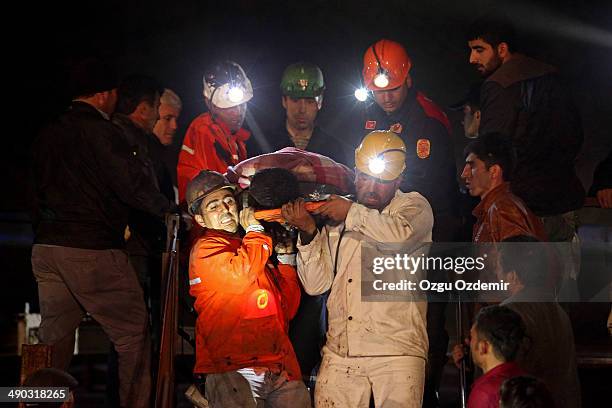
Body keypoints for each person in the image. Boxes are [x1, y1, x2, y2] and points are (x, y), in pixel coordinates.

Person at [30, 58, 175, 408]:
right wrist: (170, 211)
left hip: (47, 247)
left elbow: (31, 188)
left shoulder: (48, 131)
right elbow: (131, 187)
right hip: (92, 248)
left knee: (51, 345)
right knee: (134, 337)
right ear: (104, 95)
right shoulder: (103, 132)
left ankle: (32, 402)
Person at [282, 130, 433, 407]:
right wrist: (308, 233)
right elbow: (317, 285)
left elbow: (399, 237)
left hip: (397, 351)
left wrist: (351, 212)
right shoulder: (340, 211)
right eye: (365, 177)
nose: (371, 187)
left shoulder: (413, 207)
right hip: (342, 351)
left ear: (399, 179)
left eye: (381, 181)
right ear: (355, 173)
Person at [358, 40, 459, 405]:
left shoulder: (430, 119)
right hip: (380, 238)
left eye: (394, 90)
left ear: (408, 77)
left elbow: (441, 187)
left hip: (427, 237)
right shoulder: (364, 118)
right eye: (378, 92)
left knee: (426, 323)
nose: (386, 99)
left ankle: (426, 393)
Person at [185, 170, 310, 407]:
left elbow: (287, 310)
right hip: (234, 367)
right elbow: (239, 277)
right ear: (200, 220)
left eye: (229, 201)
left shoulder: (251, 249)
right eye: (213, 206)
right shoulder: (205, 250)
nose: (225, 210)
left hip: (279, 365)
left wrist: (285, 260)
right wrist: (255, 231)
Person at [467, 17, 585, 240]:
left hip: (521, 210)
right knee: (563, 274)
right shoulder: (552, 76)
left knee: (517, 274)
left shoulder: (500, 84)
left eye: (479, 50)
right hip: (564, 202)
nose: (472, 58)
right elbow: (575, 136)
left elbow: (492, 150)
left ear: (502, 49)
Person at [498, 236, 581, 408]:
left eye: (498, 268)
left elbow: (498, 373)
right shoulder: (557, 310)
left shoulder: (509, 311)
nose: (497, 274)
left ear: (513, 275)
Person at [177, 60, 253, 202]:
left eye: (242, 105)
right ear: (209, 103)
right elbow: (218, 186)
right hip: (207, 219)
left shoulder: (236, 139)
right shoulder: (203, 131)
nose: (238, 112)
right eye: (229, 107)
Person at [249, 62, 349, 164]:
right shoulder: (262, 143)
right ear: (284, 101)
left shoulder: (332, 148)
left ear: (320, 102)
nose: (302, 109)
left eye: (309, 101)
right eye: (295, 100)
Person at [461, 133, 547, 243]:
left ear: (494, 171)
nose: (464, 174)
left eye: (472, 166)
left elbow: (522, 257)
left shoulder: (502, 209)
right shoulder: (500, 206)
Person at [467, 305, 526, 408]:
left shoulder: (485, 394)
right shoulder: (525, 382)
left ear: (483, 347)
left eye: (471, 337)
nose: (468, 342)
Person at [153, 88, 183, 199]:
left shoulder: (174, 156)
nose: (174, 126)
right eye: (167, 118)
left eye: (176, 119)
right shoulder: (139, 156)